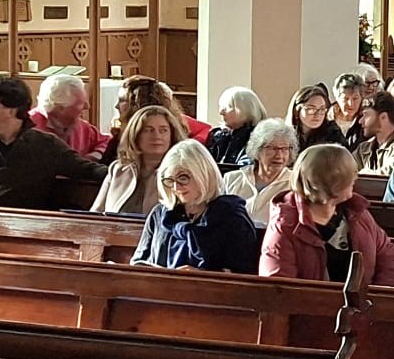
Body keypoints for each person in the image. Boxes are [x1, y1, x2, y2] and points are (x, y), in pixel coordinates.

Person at [0, 75, 109, 208]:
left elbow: (87, 170)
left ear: (11, 111)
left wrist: (127, 173)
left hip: (30, 228)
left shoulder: (46, 144)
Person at [262, 144, 394, 286]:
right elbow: (279, 291)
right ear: (330, 182)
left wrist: (379, 299)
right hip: (309, 307)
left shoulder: (357, 213)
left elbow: (386, 255)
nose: (355, 178)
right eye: (349, 174)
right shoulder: (285, 227)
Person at [132, 139, 259, 274]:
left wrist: (201, 276)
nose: (176, 187)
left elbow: (244, 275)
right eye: (170, 180)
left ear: (203, 175)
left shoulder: (230, 216)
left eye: (183, 177)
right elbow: (138, 262)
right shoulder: (161, 214)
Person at [92, 104, 184, 217]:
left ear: (172, 135)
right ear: (135, 135)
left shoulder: (180, 174)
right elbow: (95, 215)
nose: (157, 136)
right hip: (114, 232)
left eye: (163, 130)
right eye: (148, 130)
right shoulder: (118, 170)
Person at [224, 118, 302, 223]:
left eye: (284, 149)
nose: (279, 155)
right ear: (257, 149)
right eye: (272, 148)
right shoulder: (232, 179)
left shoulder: (295, 183)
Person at [30, 74, 112, 158]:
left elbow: (107, 142)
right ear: (60, 108)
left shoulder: (83, 127)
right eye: (81, 103)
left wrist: (95, 155)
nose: (87, 106)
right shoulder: (28, 128)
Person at [206, 86, 269, 169]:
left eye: (228, 106)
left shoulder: (261, 138)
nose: (221, 112)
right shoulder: (217, 136)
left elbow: (246, 169)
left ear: (247, 109)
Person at [360, 94, 394, 174]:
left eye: (366, 115)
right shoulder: (363, 149)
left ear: (383, 117)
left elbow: (393, 173)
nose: (361, 121)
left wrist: (361, 175)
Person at [289, 82, 343, 152]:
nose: (317, 115)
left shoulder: (333, 134)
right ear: (296, 111)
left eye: (322, 109)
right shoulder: (286, 135)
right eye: (311, 109)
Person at [331, 72, 370, 147]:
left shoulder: (366, 123)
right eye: (345, 98)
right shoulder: (326, 120)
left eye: (355, 98)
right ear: (337, 98)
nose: (350, 104)